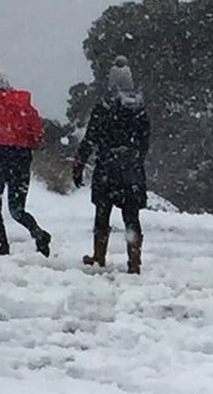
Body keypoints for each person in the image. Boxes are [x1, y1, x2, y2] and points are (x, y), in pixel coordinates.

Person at [73, 55, 150, 274]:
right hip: (131, 169)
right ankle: (134, 262)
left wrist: (79, 163)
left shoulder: (104, 107)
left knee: (102, 211)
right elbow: (145, 141)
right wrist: (135, 159)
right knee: (131, 216)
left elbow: (90, 138)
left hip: (107, 167)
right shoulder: (140, 108)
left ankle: (99, 256)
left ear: (110, 81)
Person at [0, 61, 51, 257]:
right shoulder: (23, 104)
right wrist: (28, 147)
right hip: (20, 158)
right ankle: (37, 232)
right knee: (16, 209)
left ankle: (3, 246)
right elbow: (37, 131)